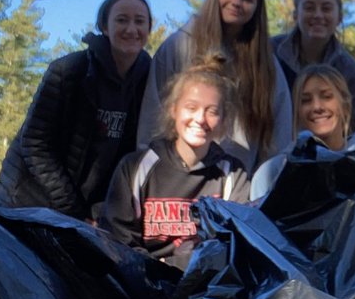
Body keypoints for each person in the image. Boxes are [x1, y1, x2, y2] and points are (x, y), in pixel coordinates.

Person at [0, 0, 153, 223]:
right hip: (28, 202)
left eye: (139, 21)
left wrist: (100, 213)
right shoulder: (68, 71)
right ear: (105, 26)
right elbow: (35, 144)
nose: (131, 29)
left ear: (148, 28)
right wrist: (74, 211)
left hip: (84, 213)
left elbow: (129, 157)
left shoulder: (147, 84)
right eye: (121, 20)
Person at [138, 0, 291, 170]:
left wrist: (269, 179)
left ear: (257, 7)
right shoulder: (179, 46)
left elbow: (279, 131)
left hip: (241, 180)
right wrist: (152, 171)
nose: (237, 2)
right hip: (179, 178)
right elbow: (153, 114)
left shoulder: (265, 62)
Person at [102, 61, 250, 269]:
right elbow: (117, 243)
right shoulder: (135, 167)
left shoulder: (232, 174)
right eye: (191, 108)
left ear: (223, 119)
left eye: (212, 111)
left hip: (206, 282)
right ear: (174, 110)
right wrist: (163, 268)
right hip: (143, 279)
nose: (200, 119)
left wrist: (181, 263)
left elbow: (233, 246)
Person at [251, 66, 355, 199]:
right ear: (297, 111)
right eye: (306, 100)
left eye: (327, 97)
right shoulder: (272, 173)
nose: (317, 107)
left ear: (345, 104)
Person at [272, 0, 355, 138]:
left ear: (339, 17)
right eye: (309, 8)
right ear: (296, 15)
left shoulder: (351, 72)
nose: (318, 15)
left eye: (326, 9)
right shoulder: (270, 53)